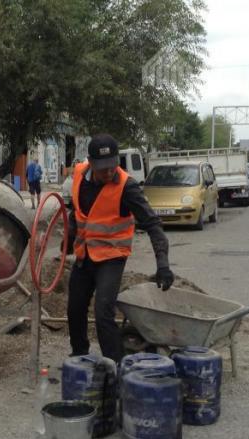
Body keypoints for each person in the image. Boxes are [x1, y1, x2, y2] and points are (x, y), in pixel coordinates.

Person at [67, 134, 174, 363]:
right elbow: (75, 210)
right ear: (90, 163)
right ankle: (80, 357)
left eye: (112, 165)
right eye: (102, 168)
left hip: (112, 257)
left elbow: (153, 224)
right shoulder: (78, 175)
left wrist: (163, 264)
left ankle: (115, 365)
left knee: (103, 312)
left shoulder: (127, 187)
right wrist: (69, 237)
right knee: (75, 308)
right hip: (85, 255)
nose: (108, 172)